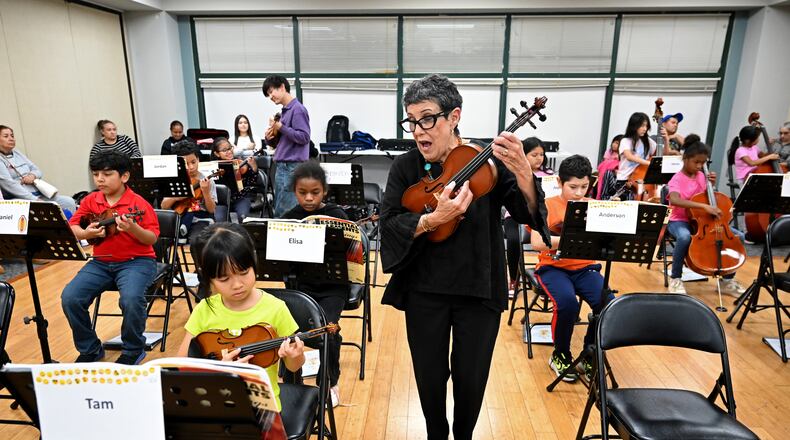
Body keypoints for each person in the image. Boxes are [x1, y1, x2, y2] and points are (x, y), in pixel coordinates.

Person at [380, 74, 548, 440]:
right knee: (429, 376)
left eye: (427, 119)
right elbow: (389, 223)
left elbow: (529, 214)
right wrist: (431, 220)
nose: (417, 130)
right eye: (411, 120)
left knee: (472, 380)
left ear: (454, 116)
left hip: (478, 285)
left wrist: (523, 172)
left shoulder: (487, 162)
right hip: (424, 289)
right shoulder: (406, 167)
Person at [176, 223, 305, 414]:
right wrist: (219, 369)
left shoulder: (276, 308)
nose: (237, 284)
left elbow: (293, 366)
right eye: (224, 279)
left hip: (262, 406)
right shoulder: (205, 309)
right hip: (214, 402)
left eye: (244, 273)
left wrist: (296, 356)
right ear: (209, 279)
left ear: (254, 265)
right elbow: (182, 363)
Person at [61, 151, 159, 365]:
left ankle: (133, 349)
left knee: (131, 299)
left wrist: (132, 228)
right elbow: (73, 226)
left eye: (107, 174)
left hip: (138, 261)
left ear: (124, 176)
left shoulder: (138, 203)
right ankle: (90, 348)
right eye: (96, 174)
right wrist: (86, 234)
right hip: (101, 262)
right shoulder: (91, 200)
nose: (100, 179)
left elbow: (151, 238)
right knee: (70, 297)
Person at [530, 155, 610, 382]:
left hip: (584, 268)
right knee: (567, 304)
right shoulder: (546, 205)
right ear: (559, 182)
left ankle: (589, 352)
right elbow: (537, 241)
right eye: (573, 187)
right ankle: (560, 354)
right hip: (553, 267)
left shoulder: (592, 206)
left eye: (584, 186)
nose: (579, 192)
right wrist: (574, 239)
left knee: (608, 303)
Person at [280, 160, 348, 407]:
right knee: (288, 332)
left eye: (315, 192)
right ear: (295, 191)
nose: (309, 198)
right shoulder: (289, 218)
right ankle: (290, 381)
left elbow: (352, 256)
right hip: (300, 286)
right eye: (302, 193)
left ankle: (329, 381)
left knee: (328, 331)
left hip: (333, 286)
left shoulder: (337, 216)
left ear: (325, 191)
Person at [666, 135, 747, 296]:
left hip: (703, 221)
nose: (700, 166)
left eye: (703, 163)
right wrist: (704, 206)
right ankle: (675, 278)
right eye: (696, 162)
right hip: (679, 220)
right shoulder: (677, 178)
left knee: (740, 237)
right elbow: (675, 199)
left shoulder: (702, 176)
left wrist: (711, 186)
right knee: (684, 237)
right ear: (685, 159)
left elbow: (708, 197)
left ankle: (726, 280)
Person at [504, 137, 552, 295]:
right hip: (515, 216)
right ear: (523, 155)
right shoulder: (513, 172)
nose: (539, 158)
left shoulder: (549, 174)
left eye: (542, 154)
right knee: (512, 240)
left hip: (540, 216)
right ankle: (512, 279)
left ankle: (549, 274)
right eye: (534, 154)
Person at [0, 125, 76, 216]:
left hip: (38, 193)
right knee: (48, 209)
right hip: (20, 199)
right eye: (6, 136)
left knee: (69, 202)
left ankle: (72, 228)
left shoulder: (17, 152)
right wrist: (35, 200)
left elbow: (37, 170)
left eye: (12, 136)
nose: (11, 139)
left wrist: (32, 176)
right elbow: (9, 185)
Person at [263, 75, 311, 217]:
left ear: (282, 87)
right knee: (281, 208)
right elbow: (283, 141)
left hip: (292, 165)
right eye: (268, 94)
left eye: (272, 91)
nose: (271, 96)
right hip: (284, 165)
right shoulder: (285, 111)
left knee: (286, 212)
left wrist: (281, 127)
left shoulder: (297, 109)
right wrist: (269, 138)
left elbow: (304, 137)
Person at [161, 139, 217, 240]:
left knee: (196, 239)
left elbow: (211, 209)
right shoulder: (173, 180)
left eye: (193, 162)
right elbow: (164, 206)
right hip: (179, 217)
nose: (191, 167)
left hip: (201, 219)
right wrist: (176, 198)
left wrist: (206, 192)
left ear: (198, 159)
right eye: (186, 163)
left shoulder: (208, 180)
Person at [211, 137, 258, 222]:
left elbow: (252, 183)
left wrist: (254, 168)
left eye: (230, 148)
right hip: (221, 201)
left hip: (240, 198)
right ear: (217, 154)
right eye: (224, 150)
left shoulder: (239, 163)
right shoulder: (213, 167)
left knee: (243, 216)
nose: (229, 152)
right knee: (219, 219)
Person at [616, 112, 656, 184]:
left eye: (646, 126)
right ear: (634, 126)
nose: (645, 129)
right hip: (624, 179)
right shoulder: (625, 141)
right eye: (642, 126)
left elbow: (659, 152)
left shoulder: (648, 141)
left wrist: (666, 139)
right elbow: (629, 156)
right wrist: (648, 163)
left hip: (641, 178)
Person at [596, 134, 623, 199]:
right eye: (614, 142)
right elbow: (605, 164)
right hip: (607, 174)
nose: (614, 144)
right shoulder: (609, 152)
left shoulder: (622, 154)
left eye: (617, 143)